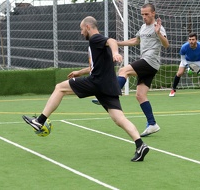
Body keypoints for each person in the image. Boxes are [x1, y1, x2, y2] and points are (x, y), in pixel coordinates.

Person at [22, 16, 149, 162]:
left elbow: (112, 40)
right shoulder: (96, 44)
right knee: (119, 118)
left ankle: (40, 120)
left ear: (88, 27)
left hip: (97, 82)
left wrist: (115, 53)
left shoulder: (96, 39)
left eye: (82, 29)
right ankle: (140, 145)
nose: (81, 32)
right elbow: (93, 67)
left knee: (59, 88)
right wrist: (79, 73)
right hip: (108, 85)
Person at [92, 3, 170, 137]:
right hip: (149, 64)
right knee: (140, 95)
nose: (144, 17)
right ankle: (152, 124)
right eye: (142, 14)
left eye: (147, 14)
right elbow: (136, 41)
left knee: (124, 71)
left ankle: (109, 95)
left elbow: (166, 44)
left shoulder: (158, 27)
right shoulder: (143, 27)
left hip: (150, 61)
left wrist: (158, 33)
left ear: (153, 13)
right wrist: (118, 43)